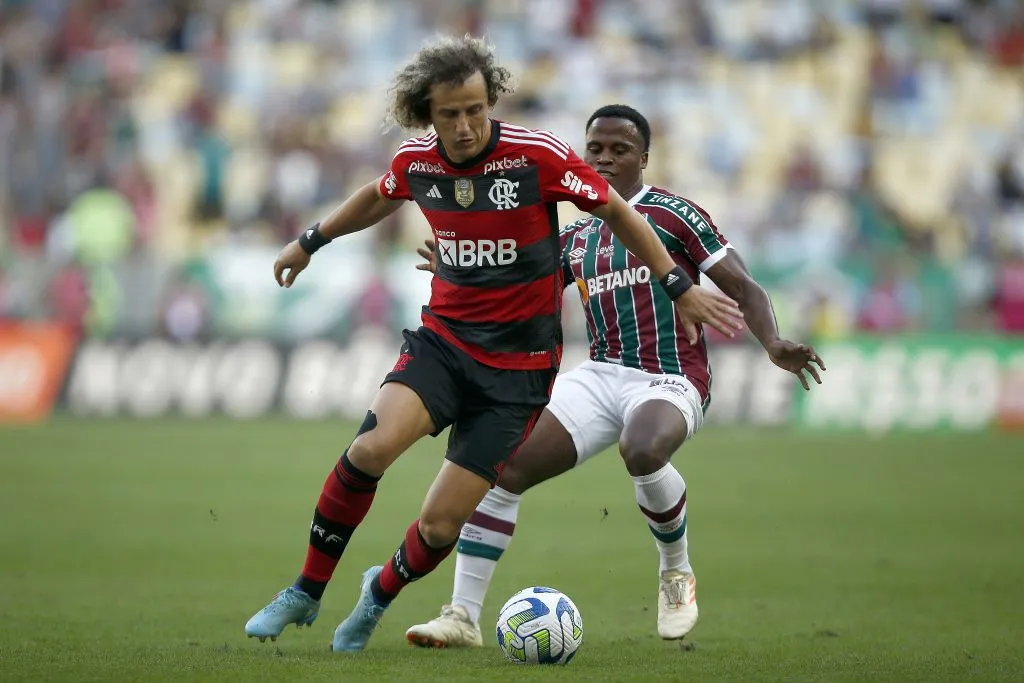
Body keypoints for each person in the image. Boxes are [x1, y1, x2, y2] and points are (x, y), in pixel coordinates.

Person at [244, 37, 743, 653]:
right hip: (446, 343)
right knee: (371, 447)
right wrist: (310, 241)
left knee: (439, 522)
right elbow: (379, 194)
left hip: (520, 370)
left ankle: (378, 595)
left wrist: (677, 284)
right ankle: (306, 591)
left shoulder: (538, 156)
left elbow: (616, 211)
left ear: (491, 102)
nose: (464, 125)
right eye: (449, 113)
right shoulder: (417, 161)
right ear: (428, 112)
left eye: (475, 109)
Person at [405, 104, 826, 647]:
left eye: (619, 150)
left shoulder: (675, 216)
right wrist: (459, 266)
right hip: (601, 374)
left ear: (644, 158)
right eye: (595, 149)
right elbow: (511, 291)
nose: (604, 159)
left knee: (643, 449)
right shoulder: (575, 238)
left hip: (670, 377)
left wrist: (771, 341)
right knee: (502, 467)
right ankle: (461, 616)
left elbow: (743, 285)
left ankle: (676, 573)